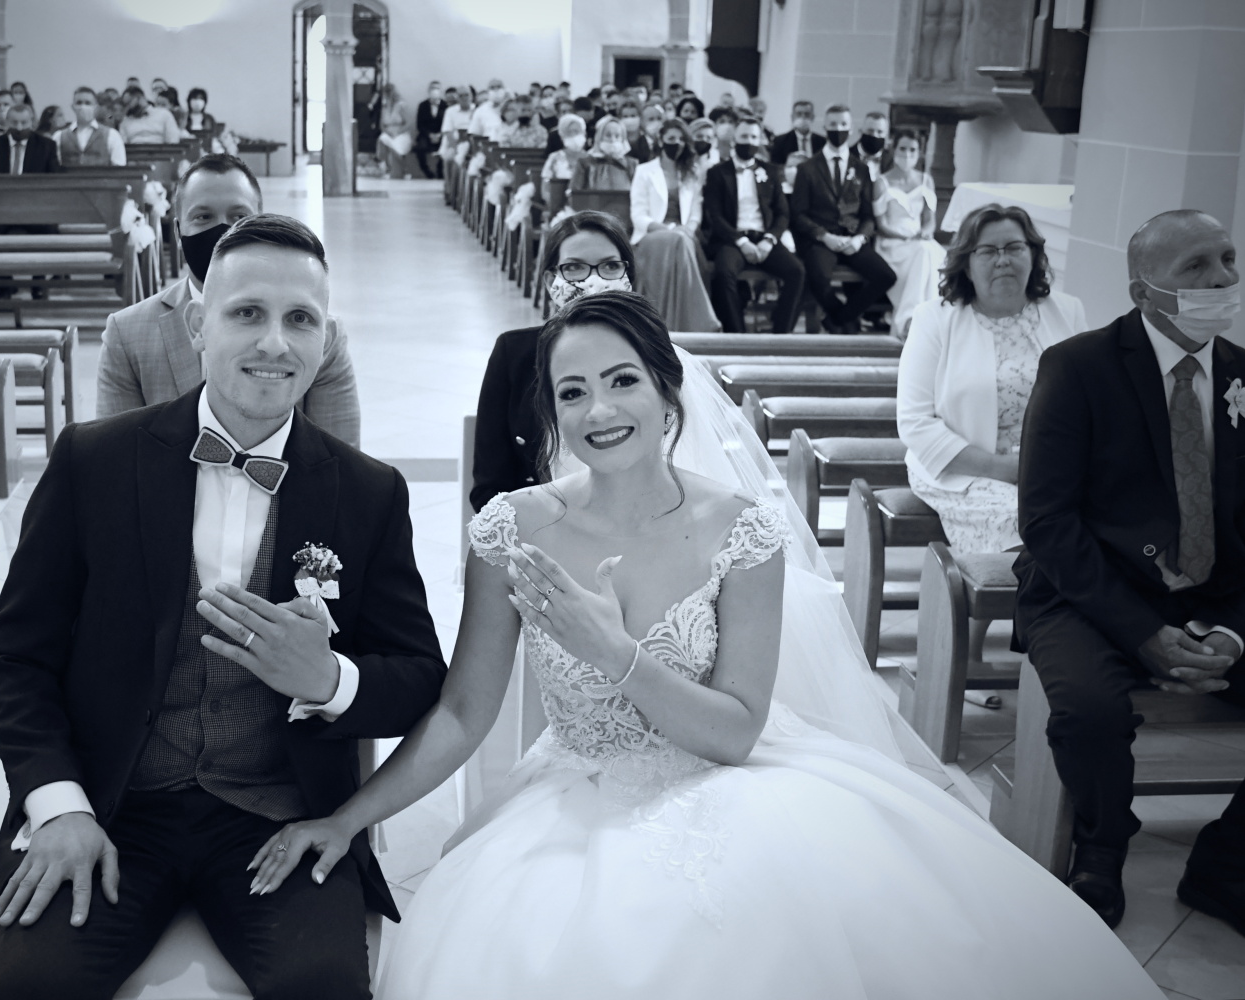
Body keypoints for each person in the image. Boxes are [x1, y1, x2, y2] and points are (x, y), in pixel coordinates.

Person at [251, 289, 1166, 1000]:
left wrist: (614, 653)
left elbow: (734, 731)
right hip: (576, 795)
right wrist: (349, 819)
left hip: (733, 784)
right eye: (572, 392)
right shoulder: (512, 530)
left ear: (666, 390)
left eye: (622, 381)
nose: (599, 409)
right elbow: (461, 713)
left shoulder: (742, 530)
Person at [0, 213, 445, 1000]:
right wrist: (58, 806)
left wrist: (329, 680)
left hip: (279, 818)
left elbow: (418, 677)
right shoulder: (95, 461)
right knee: (32, 988)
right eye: (247, 313)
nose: (275, 343)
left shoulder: (367, 492)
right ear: (198, 324)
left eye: (301, 319)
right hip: (111, 805)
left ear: (326, 339)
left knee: (323, 988)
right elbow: (15, 659)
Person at [1015, 209, 1245, 934]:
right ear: (1144, 292)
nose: (1222, 279)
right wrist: (1143, 632)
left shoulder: (1243, 374)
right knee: (1089, 709)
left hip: (1215, 592)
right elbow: (1047, 521)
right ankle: (1101, 849)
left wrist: (1232, 631)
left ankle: (1227, 861)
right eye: (1196, 267)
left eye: (1227, 259)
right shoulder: (1078, 367)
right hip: (1086, 591)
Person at [96, 154, 360, 446]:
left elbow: (339, 460)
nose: (223, 232)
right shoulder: (128, 334)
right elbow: (115, 457)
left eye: (238, 217)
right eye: (203, 217)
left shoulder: (320, 339)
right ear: (178, 232)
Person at [898, 203, 1086, 558]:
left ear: (1033, 254)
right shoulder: (934, 320)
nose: (1003, 260)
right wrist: (1003, 469)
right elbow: (915, 422)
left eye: (1014, 247)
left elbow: (1092, 403)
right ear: (966, 264)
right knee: (1030, 523)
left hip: (1053, 470)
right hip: (962, 472)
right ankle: (996, 593)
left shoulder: (1067, 312)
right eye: (987, 251)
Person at [472, 211, 637, 511]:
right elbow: (489, 487)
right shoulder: (514, 354)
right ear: (551, 280)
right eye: (574, 268)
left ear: (628, 277)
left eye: (610, 266)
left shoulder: (652, 358)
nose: (593, 281)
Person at [789, 105, 896, 334]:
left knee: (886, 276)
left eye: (843, 125)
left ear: (851, 129)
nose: (838, 129)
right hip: (821, 239)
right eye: (833, 125)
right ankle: (846, 323)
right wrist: (823, 236)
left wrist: (860, 238)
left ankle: (839, 319)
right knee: (818, 277)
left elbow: (868, 215)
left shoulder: (861, 169)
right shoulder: (807, 168)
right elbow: (798, 214)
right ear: (825, 127)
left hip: (852, 237)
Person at [703, 116, 803, 334]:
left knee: (797, 271)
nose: (749, 141)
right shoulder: (718, 172)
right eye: (744, 136)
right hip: (732, 239)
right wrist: (741, 241)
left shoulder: (771, 171)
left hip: (764, 238)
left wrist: (770, 239)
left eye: (753, 137)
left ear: (760, 141)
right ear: (734, 140)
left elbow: (783, 213)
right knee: (724, 273)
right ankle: (737, 334)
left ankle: (780, 334)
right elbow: (715, 216)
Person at [629, 118, 721, 332]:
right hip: (652, 234)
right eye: (671, 139)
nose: (676, 143)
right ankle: (702, 321)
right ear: (661, 140)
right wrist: (669, 230)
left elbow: (696, 213)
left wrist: (687, 229)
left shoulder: (691, 171)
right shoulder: (644, 170)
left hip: (684, 234)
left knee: (681, 241)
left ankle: (684, 322)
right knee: (678, 241)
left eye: (681, 140)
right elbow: (638, 215)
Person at [873, 129, 944, 337]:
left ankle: (911, 320)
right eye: (902, 149)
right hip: (892, 243)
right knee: (925, 254)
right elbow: (881, 224)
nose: (907, 154)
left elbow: (930, 220)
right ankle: (919, 323)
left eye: (912, 150)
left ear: (919, 153)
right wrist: (903, 236)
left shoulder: (926, 181)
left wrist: (925, 233)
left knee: (928, 252)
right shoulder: (882, 183)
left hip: (918, 240)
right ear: (893, 150)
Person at [0, 103, 60, 175]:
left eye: (24, 123)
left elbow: (53, 179)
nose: (19, 128)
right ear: (7, 121)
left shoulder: (46, 146)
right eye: (14, 122)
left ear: (31, 122)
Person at [59, 87, 127, 166]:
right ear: (73, 106)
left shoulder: (112, 132)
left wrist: (108, 118)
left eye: (88, 103)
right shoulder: (60, 136)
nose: (83, 106)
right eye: (79, 103)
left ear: (96, 106)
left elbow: (119, 167)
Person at [571, 117, 636, 193]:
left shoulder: (632, 164)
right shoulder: (584, 164)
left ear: (623, 139)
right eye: (608, 135)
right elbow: (574, 194)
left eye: (617, 136)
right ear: (599, 137)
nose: (612, 140)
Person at [376, 83, 414, 179]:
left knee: (396, 146)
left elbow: (409, 122)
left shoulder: (401, 105)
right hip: (388, 133)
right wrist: (387, 132)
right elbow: (382, 125)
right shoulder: (384, 107)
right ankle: (386, 168)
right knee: (382, 140)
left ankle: (406, 170)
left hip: (401, 133)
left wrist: (398, 132)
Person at [770, 99, 825, 164]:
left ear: (813, 117)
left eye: (807, 114)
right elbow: (776, 167)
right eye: (799, 114)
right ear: (792, 117)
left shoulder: (823, 142)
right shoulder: (780, 141)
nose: (803, 117)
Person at [413, 81, 445, 179]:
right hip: (426, 135)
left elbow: (447, 124)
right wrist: (430, 135)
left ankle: (440, 171)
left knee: (446, 146)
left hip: (442, 135)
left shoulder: (445, 105)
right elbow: (419, 125)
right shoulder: (422, 105)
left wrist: (439, 134)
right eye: (432, 88)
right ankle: (427, 172)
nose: (435, 91)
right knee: (420, 147)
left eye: (437, 88)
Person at [437, 86, 475, 165]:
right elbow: (448, 132)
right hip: (455, 142)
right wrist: (456, 149)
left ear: (471, 96)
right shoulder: (450, 111)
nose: (464, 98)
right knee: (450, 157)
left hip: (474, 142)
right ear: (457, 98)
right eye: (461, 96)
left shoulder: (478, 109)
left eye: (466, 95)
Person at [853, 110, 890, 182]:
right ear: (860, 131)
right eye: (870, 131)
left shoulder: (893, 160)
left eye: (880, 132)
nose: (875, 135)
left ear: (886, 135)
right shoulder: (848, 156)